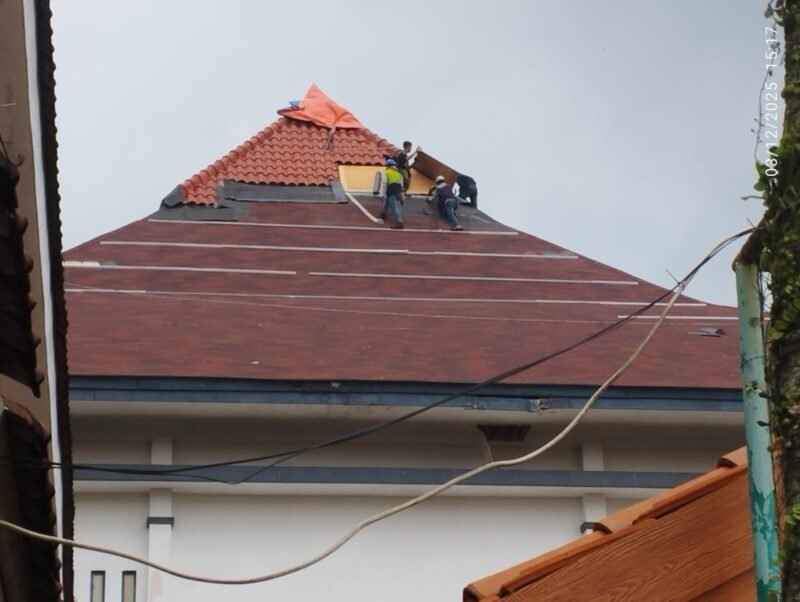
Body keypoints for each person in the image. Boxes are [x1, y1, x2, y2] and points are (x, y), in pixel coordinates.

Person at [380, 158, 404, 229]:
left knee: (394, 207)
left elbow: (384, 184)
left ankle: (399, 222)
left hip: (391, 190)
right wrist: (402, 197)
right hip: (398, 192)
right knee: (387, 201)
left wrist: (382, 195)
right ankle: (383, 214)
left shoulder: (386, 173)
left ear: (388, 166)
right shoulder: (399, 174)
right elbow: (402, 186)